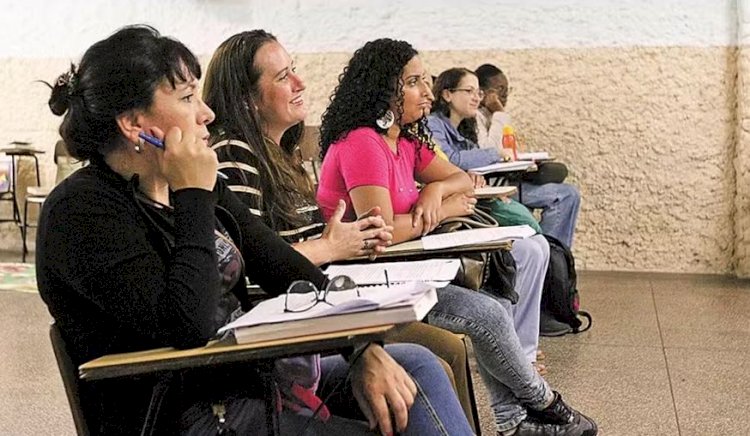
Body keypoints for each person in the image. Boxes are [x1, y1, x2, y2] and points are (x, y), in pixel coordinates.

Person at [36, 25, 471, 436]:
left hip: (248, 383)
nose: (206, 112)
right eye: (188, 98)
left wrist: (360, 349)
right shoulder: (80, 213)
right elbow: (189, 326)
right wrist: (192, 194)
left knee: (414, 365)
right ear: (134, 124)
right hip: (184, 414)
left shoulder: (195, 186)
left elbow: (283, 267)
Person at [316, 37, 598, 436]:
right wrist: (445, 209)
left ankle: (513, 420)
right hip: (365, 280)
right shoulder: (363, 141)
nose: (427, 92)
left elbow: (461, 177)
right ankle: (545, 402)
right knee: (489, 313)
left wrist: (433, 191)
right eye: (414, 82)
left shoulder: (405, 140)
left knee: (498, 298)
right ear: (383, 90)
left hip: (407, 267)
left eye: (425, 80)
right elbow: (378, 232)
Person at [201, 29, 479, 430]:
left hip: (330, 298)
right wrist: (333, 246)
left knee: (444, 350)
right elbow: (249, 264)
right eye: (283, 77)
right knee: (434, 355)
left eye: (294, 70)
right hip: (296, 325)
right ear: (247, 97)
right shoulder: (235, 156)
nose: (300, 83)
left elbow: (456, 179)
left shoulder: (281, 155)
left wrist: (435, 193)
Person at [426, 67, 551, 370]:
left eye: (478, 92)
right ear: (447, 94)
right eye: (468, 91)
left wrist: (469, 176)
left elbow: (462, 166)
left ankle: (523, 349)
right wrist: (482, 164)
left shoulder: (463, 129)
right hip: (450, 219)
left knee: (539, 246)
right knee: (528, 250)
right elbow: (456, 163)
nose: (476, 97)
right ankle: (519, 353)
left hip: (466, 208)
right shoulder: (431, 126)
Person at [473, 63, 581, 249]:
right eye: (499, 90)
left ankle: (557, 258)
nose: (505, 95)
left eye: (507, 90)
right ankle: (552, 257)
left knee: (568, 192)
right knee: (564, 195)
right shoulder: (476, 116)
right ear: (482, 92)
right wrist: (499, 113)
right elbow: (488, 150)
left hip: (506, 182)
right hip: (493, 188)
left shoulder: (492, 117)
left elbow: (506, 151)